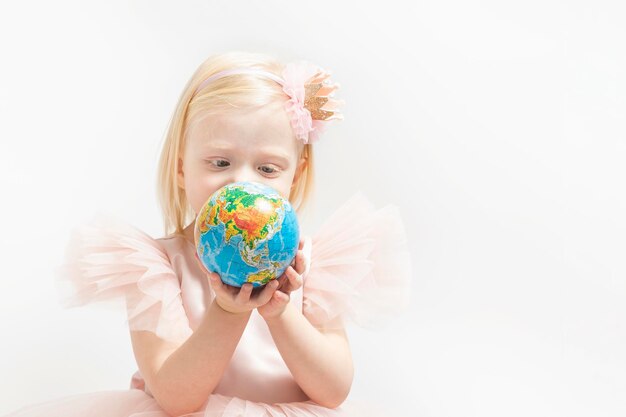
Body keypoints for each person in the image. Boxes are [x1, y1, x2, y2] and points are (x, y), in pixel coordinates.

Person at [3, 51, 412, 417]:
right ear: (182, 169)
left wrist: (280, 311)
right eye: (220, 162)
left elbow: (333, 390)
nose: (240, 184)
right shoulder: (156, 267)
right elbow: (175, 397)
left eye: (267, 169)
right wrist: (228, 313)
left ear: (295, 175)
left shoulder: (314, 267)